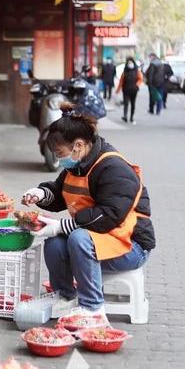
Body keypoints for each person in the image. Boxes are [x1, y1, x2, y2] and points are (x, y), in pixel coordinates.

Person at [21, 104, 155, 319]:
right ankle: (65, 296)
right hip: (100, 239)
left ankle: (93, 308)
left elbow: (109, 216)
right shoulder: (78, 164)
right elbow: (59, 193)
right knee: (55, 243)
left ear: (79, 145)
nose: (58, 160)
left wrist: (60, 226)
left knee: (78, 238)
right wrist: (41, 194)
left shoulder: (114, 169)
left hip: (131, 246)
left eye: (60, 154)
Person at [116, 57, 142, 124]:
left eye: (131, 62)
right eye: (129, 63)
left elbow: (140, 79)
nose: (130, 64)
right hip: (126, 90)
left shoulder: (137, 71)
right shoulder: (125, 71)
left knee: (133, 104)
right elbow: (121, 81)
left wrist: (137, 85)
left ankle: (131, 117)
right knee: (126, 103)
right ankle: (125, 116)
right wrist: (118, 90)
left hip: (134, 90)